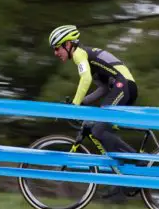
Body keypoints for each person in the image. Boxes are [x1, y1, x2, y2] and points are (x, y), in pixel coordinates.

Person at [49, 24, 138, 155]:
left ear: (68, 44)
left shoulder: (79, 54)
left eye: (57, 48)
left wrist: (75, 104)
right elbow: (103, 89)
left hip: (123, 86)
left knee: (97, 131)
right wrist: (83, 102)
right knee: (102, 130)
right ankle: (123, 167)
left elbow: (85, 79)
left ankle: (138, 159)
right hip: (124, 88)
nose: (55, 53)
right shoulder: (90, 60)